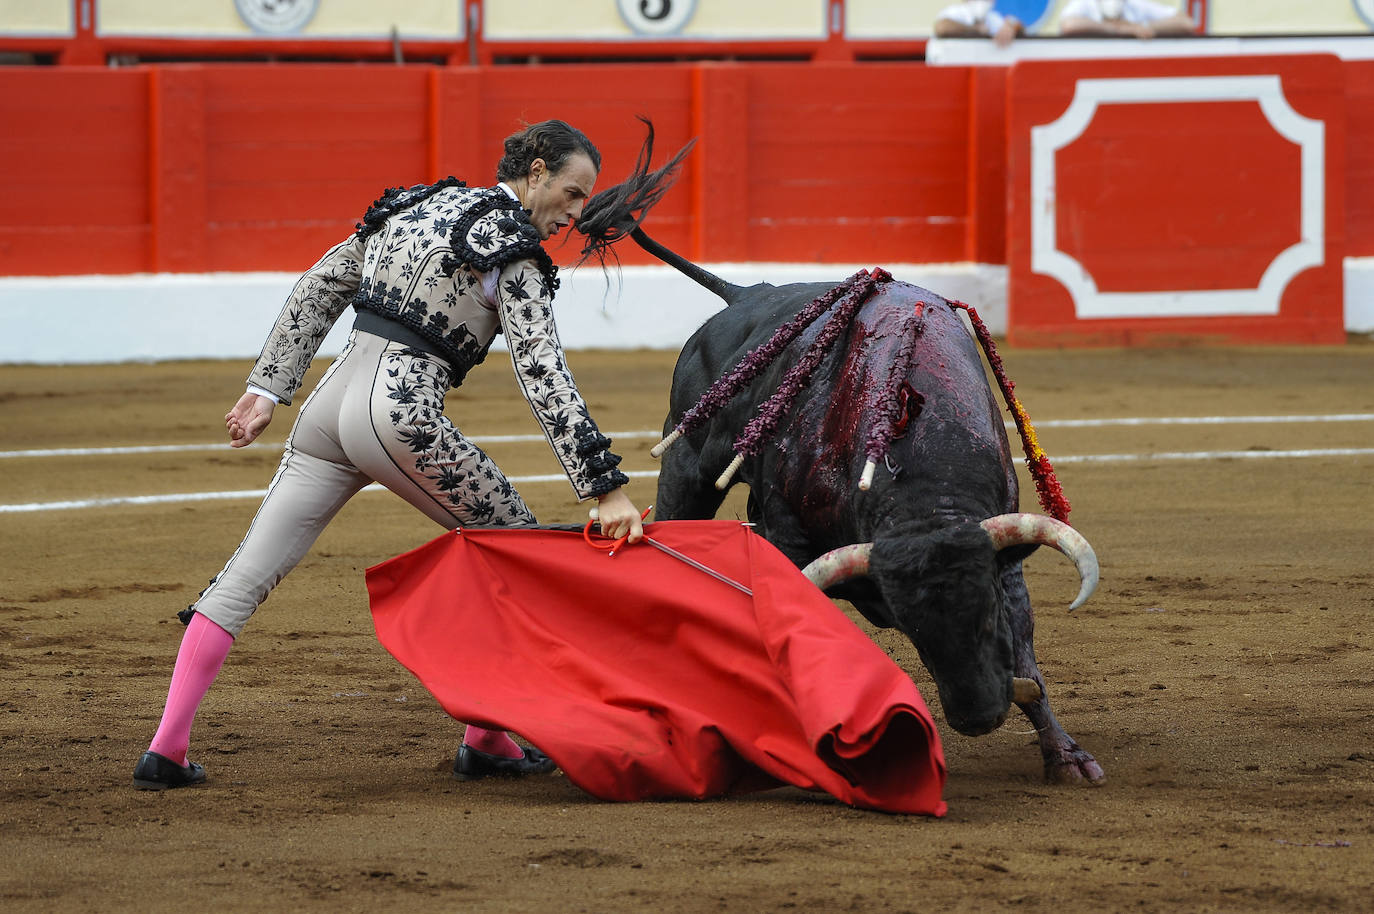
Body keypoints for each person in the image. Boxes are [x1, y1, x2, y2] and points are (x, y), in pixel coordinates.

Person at [133, 119, 683, 790]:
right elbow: (543, 372)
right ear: (534, 171)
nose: (573, 214)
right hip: (402, 418)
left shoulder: (415, 204)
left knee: (245, 578)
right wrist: (603, 486)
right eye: (570, 193)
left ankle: (166, 749)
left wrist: (267, 389)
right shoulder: (514, 251)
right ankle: (485, 738)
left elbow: (319, 284)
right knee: (521, 553)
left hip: (326, 412)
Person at [1058, 0, 1196, 38]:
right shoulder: (1084, 3)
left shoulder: (1134, 5)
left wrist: (1143, 27)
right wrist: (1118, 30)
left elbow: (1186, 23)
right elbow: (1069, 25)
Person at [933, 1, 1025, 48]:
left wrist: (1011, 27)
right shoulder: (956, 12)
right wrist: (976, 30)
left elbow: (1019, 26)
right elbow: (942, 27)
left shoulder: (993, 18)